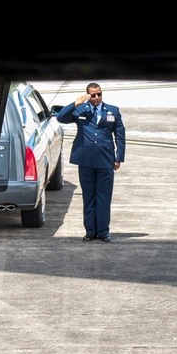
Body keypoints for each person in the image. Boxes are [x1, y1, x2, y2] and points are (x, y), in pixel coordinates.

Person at [57, 83, 126, 242]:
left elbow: (120, 135)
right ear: (88, 95)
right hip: (86, 160)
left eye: (99, 94)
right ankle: (90, 231)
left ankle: (103, 231)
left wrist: (118, 157)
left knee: (104, 197)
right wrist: (76, 103)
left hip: (105, 160)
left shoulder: (113, 111)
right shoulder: (81, 109)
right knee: (88, 196)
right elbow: (61, 117)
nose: (96, 98)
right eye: (93, 95)